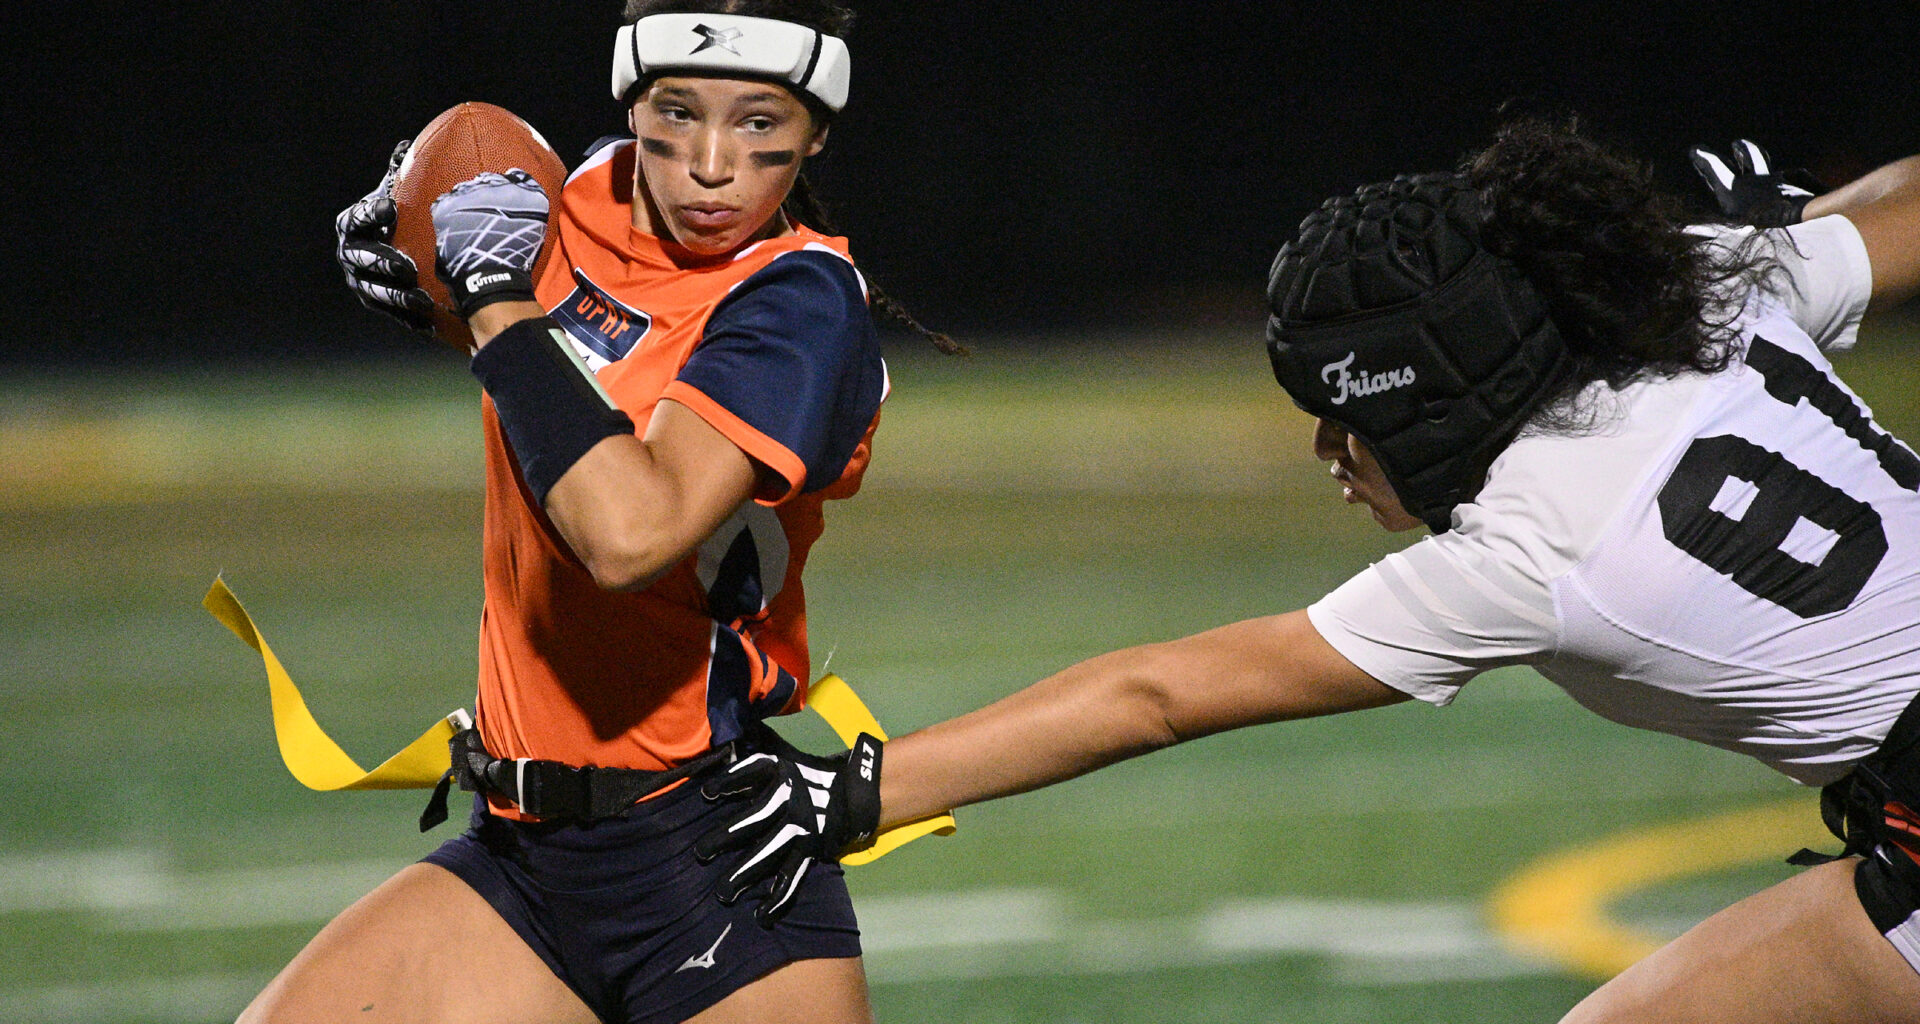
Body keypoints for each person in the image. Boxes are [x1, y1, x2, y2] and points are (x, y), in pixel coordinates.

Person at [697, 120, 1920, 1023]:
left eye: (1342, 413)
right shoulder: (1694, 289)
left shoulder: (1532, 544)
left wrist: (858, 794)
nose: (1326, 450)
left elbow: (1162, 693)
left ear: (1438, 397)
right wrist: (1802, 222)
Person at [248, 2, 952, 1022]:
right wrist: (423, 280)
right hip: (521, 857)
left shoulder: (800, 299)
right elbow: (554, 387)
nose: (713, 164)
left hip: (708, 863)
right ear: (633, 100)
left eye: (760, 124)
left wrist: (488, 296)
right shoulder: (563, 201)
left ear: (817, 131)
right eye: (679, 111)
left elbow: (630, 532)